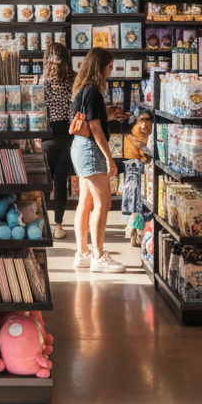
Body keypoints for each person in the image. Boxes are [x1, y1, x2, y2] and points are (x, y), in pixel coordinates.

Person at [70, 47, 124, 273]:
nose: (110, 72)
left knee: (86, 203)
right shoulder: (93, 91)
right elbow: (94, 127)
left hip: (79, 148)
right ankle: (98, 256)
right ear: (99, 66)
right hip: (91, 149)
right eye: (109, 67)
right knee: (104, 203)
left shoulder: (81, 89)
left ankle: (83, 253)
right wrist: (109, 158)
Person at [41, 43, 75, 241]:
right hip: (69, 136)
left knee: (45, 183)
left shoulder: (43, 81)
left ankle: (43, 225)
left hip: (48, 135)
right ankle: (59, 226)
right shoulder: (74, 78)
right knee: (61, 181)